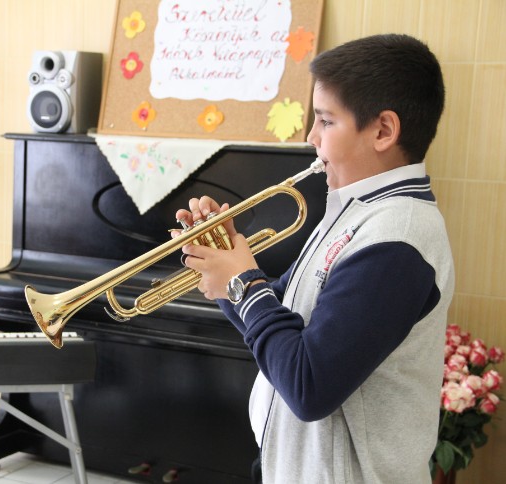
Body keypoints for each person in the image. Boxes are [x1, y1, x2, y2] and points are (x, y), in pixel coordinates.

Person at [173, 34, 454, 483]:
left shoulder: (396, 239)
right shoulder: (357, 211)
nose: (311, 137)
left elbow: (309, 387)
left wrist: (242, 283)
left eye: (325, 120)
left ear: (383, 131)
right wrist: (224, 266)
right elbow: (279, 318)